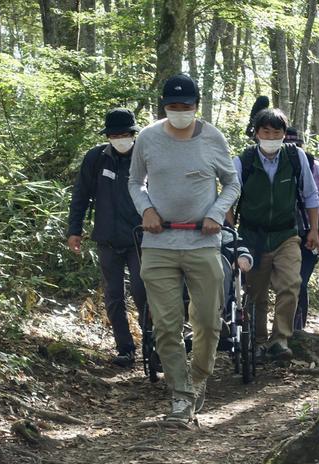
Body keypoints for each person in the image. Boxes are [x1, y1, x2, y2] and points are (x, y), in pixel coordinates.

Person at [128, 73, 240, 422]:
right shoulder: (147, 138)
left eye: (186, 107)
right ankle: (180, 395)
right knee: (165, 324)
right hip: (159, 244)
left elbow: (232, 182)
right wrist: (146, 209)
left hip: (203, 242)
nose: (179, 112)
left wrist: (216, 214)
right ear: (164, 106)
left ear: (196, 107)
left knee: (208, 321)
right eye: (173, 107)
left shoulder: (212, 138)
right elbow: (135, 182)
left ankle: (199, 378)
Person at [230, 108, 319, 361]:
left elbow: (311, 196)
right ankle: (257, 341)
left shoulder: (295, 158)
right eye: (265, 131)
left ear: (284, 134)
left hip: (286, 235)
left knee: (291, 284)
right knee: (254, 292)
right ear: (257, 133)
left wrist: (314, 229)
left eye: (276, 132)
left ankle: (280, 339)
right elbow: (228, 200)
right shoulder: (244, 161)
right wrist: (232, 235)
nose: (271, 136)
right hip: (252, 236)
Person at [67, 108, 145, 368]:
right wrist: (74, 230)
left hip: (140, 238)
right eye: (115, 134)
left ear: (133, 134)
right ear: (108, 135)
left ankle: (155, 344)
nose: (120, 138)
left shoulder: (144, 156)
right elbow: (81, 195)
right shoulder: (96, 158)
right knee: (113, 296)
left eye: (124, 134)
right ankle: (125, 349)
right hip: (107, 238)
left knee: (142, 289)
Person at [283, 127, 319, 331]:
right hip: (281, 233)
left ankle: (297, 329)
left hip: (306, 233)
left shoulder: (313, 167)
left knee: (299, 281)